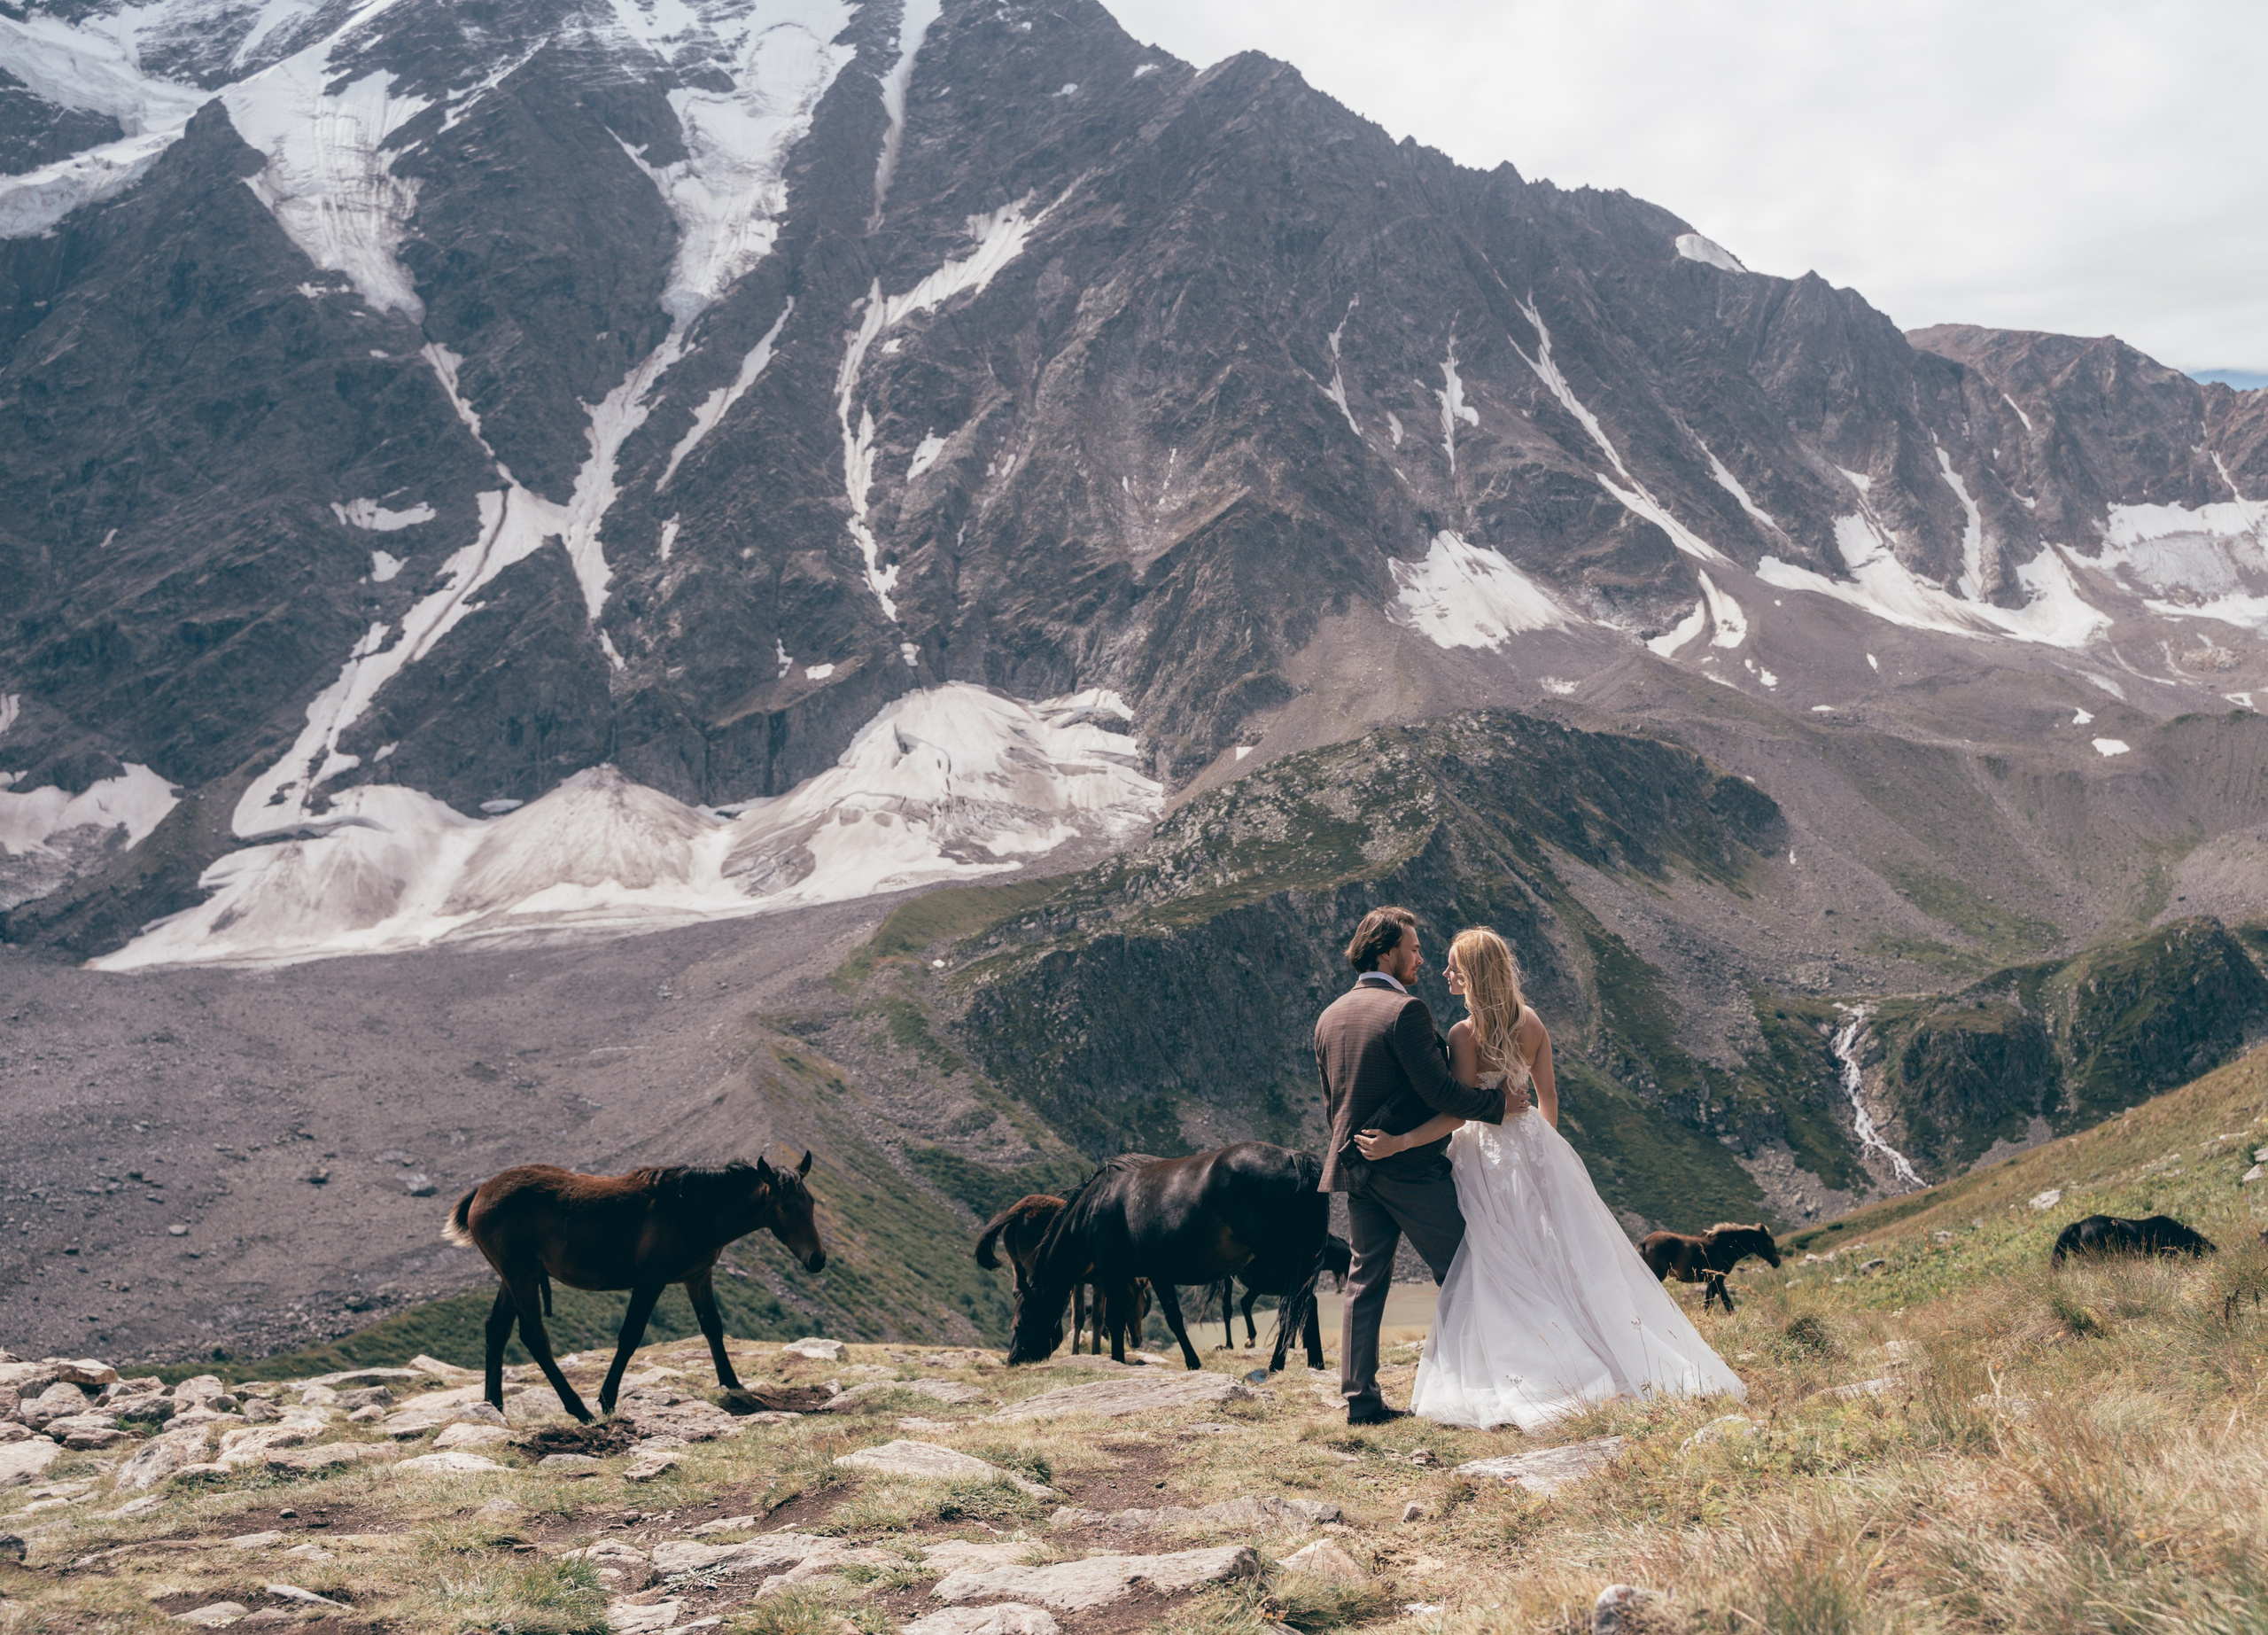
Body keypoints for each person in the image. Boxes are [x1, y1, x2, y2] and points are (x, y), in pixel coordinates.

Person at [1355, 927, 1745, 1430]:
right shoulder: (1532, 1023)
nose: (1446, 972)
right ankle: (1602, 1350)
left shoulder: (1462, 1034)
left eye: (1454, 966)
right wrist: (1543, 1154)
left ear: (1473, 974)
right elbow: (1549, 1098)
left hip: (1487, 1159)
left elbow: (1458, 1112)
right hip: (1538, 1149)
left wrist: (1401, 1143)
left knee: (1501, 1262)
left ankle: (1538, 1361)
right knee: (1563, 1259)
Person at [1314, 906, 1517, 1425]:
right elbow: (1440, 1090)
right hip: (1410, 1171)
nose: (1421, 959)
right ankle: (1491, 1384)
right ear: (1387, 952)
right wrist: (1499, 1108)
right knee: (1466, 1266)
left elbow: (1333, 1102)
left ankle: (1360, 1402)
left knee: (1364, 1280)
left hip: (1357, 1169)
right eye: (1414, 948)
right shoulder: (1405, 1012)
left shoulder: (1329, 1016)